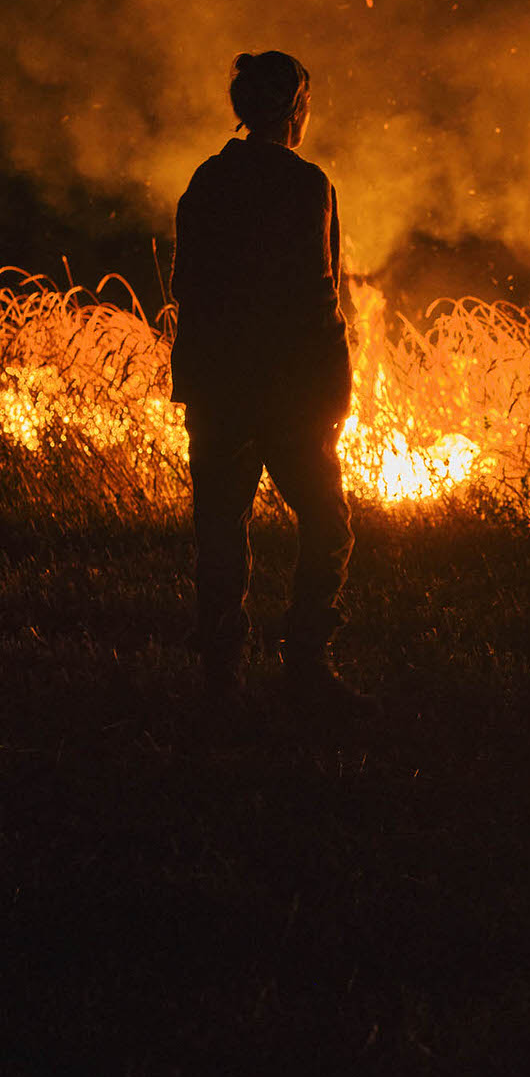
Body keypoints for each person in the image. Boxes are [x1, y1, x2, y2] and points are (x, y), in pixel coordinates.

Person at [170, 50, 368, 714]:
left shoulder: (206, 180)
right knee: (328, 524)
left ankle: (221, 680)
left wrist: (196, 375)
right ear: (295, 109)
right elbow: (317, 294)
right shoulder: (305, 184)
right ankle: (308, 669)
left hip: (218, 387)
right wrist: (334, 389)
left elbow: (186, 287)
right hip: (286, 391)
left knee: (220, 532)